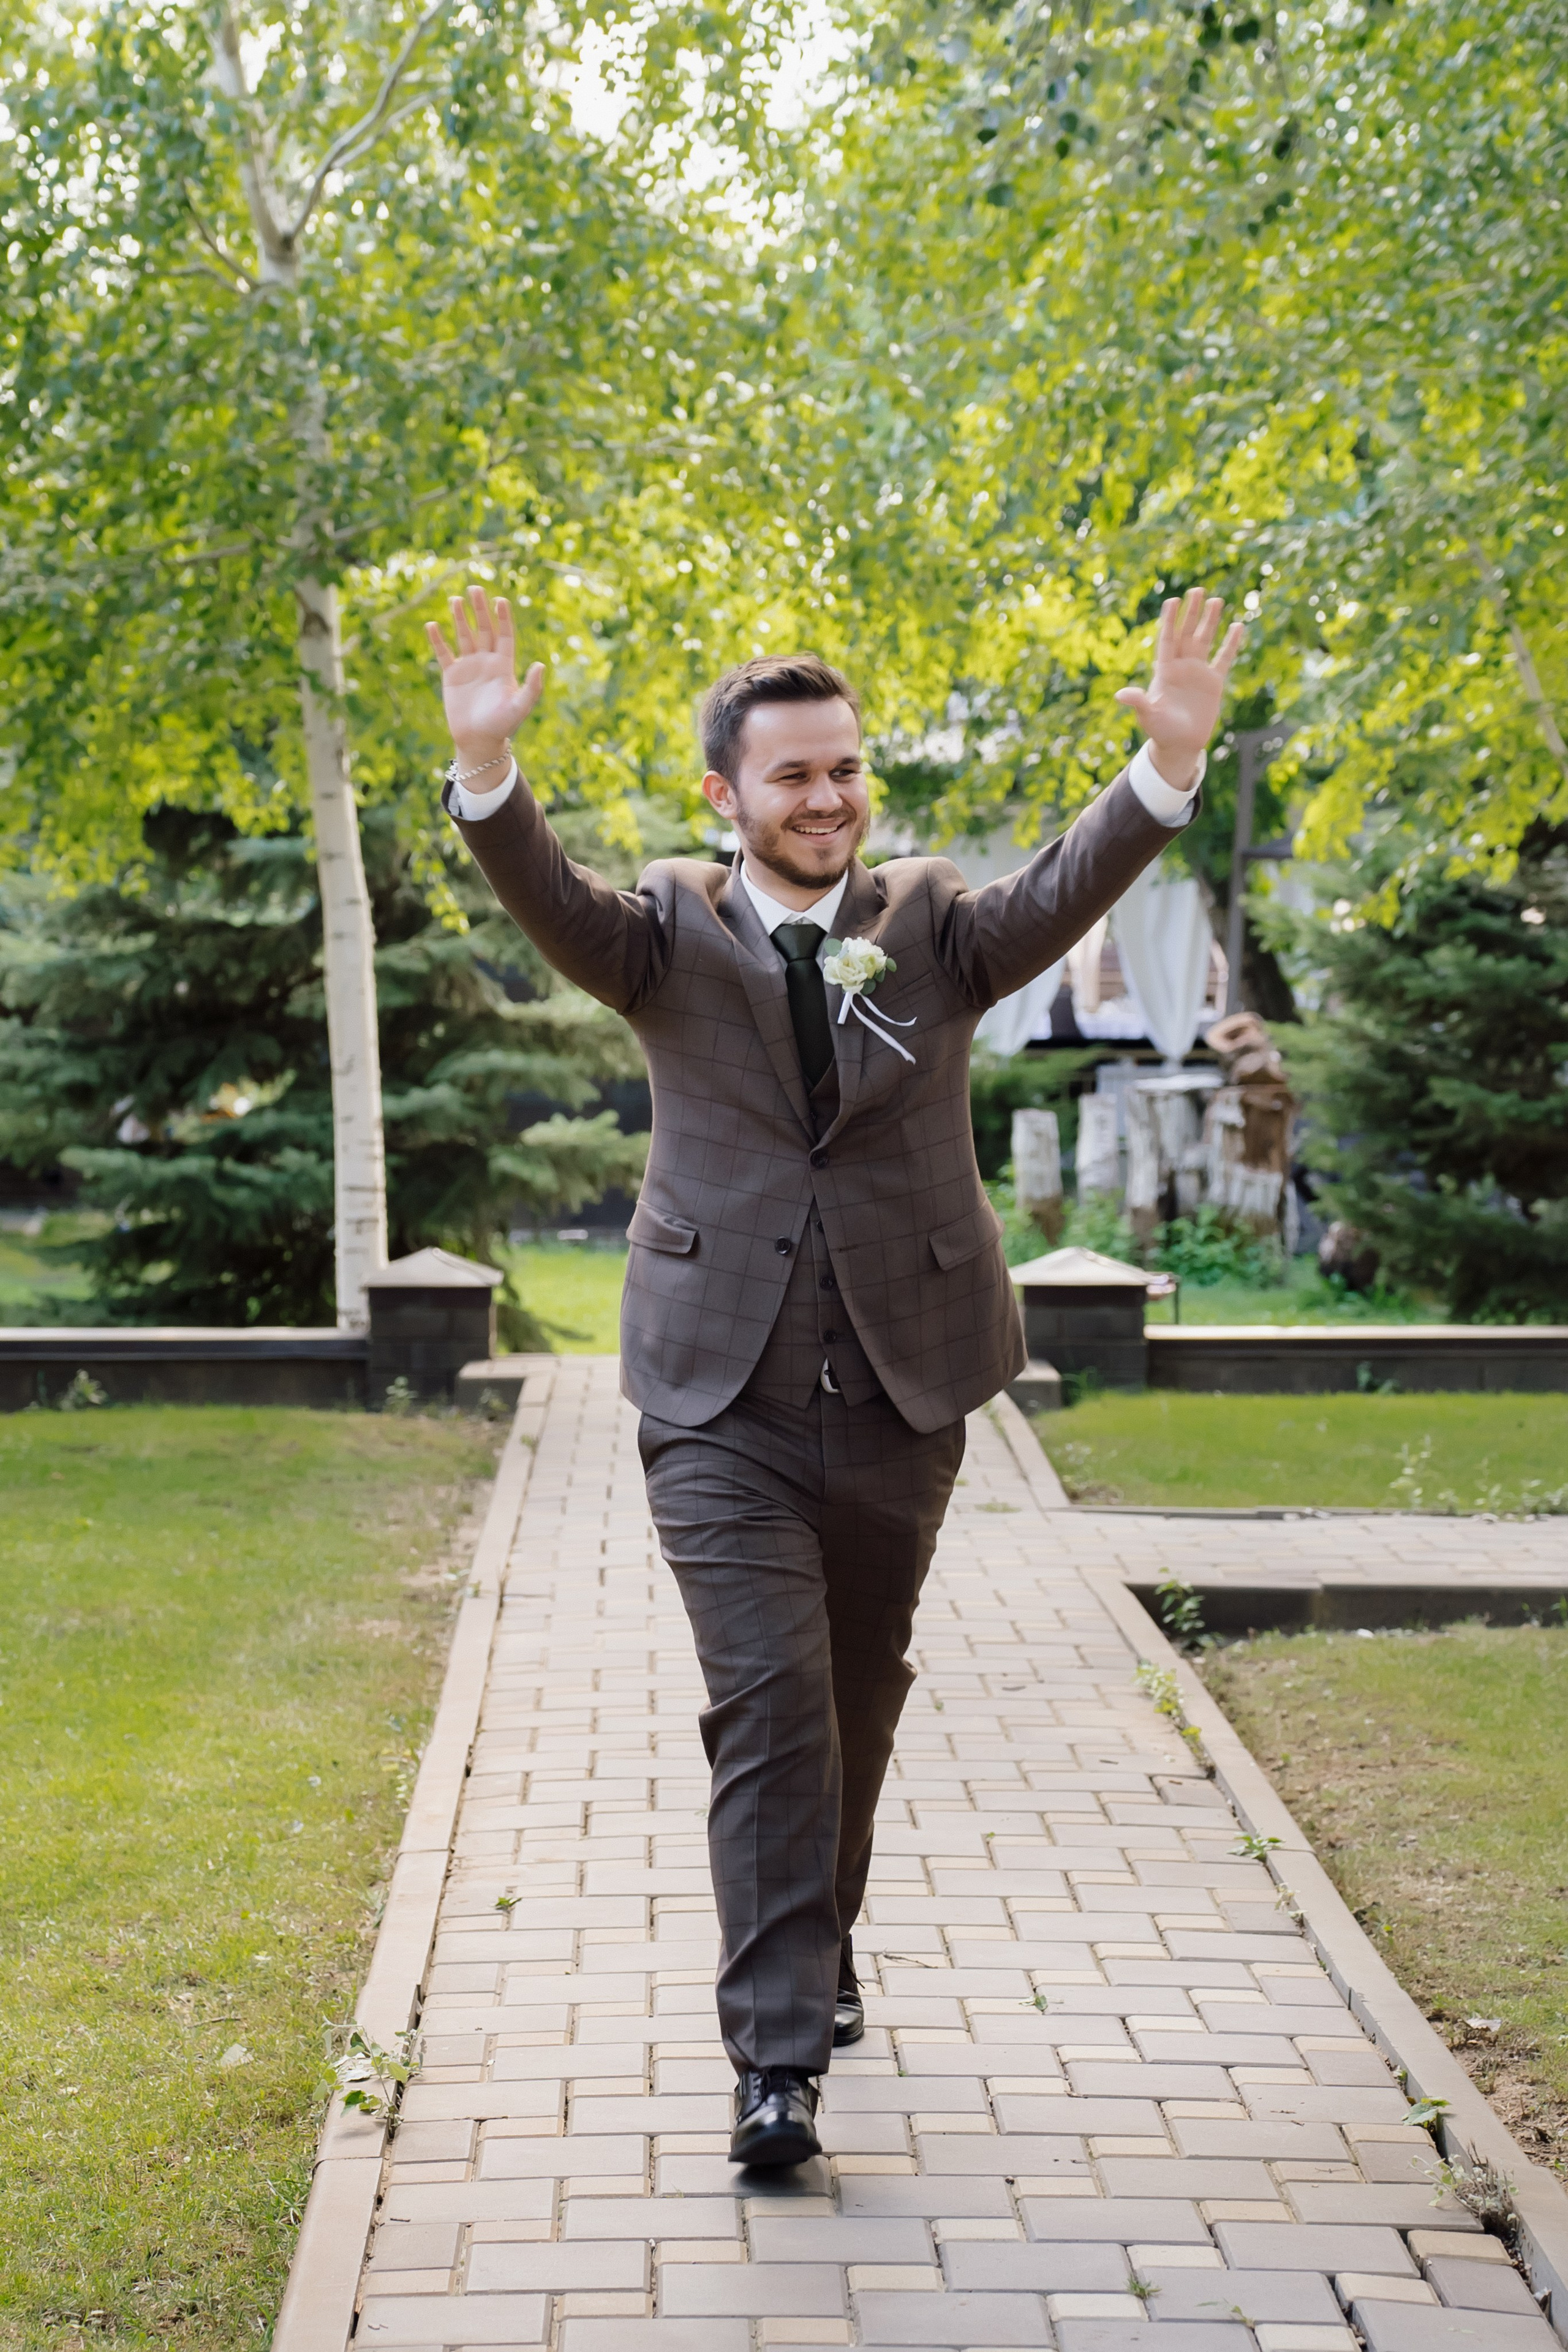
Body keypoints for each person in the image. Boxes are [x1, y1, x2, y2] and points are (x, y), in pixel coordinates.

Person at [428, 587, 1242, 2165]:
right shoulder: (661, 930)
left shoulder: (931, 923)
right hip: (711, 1394)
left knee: (857, 1696)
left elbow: (1066, 887)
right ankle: (777, 2061)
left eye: (846, 771)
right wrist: (484, 776)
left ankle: (818, 1944)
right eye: (791, 776)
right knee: (772, 1704)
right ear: (722, 796)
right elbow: (546, 893)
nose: (827, 798)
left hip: (900, 1383)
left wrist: (1167, 771)